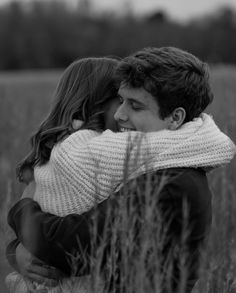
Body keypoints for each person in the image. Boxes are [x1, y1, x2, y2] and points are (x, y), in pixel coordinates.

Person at [6, 47, 236, 293]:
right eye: (121, 100)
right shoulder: (139, 163)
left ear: (175, 118)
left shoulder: (173, 183)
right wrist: (17, 250)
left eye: (135, 106)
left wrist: (21, 209)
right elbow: (66, 216)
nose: (119, 114)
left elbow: (74, 245)